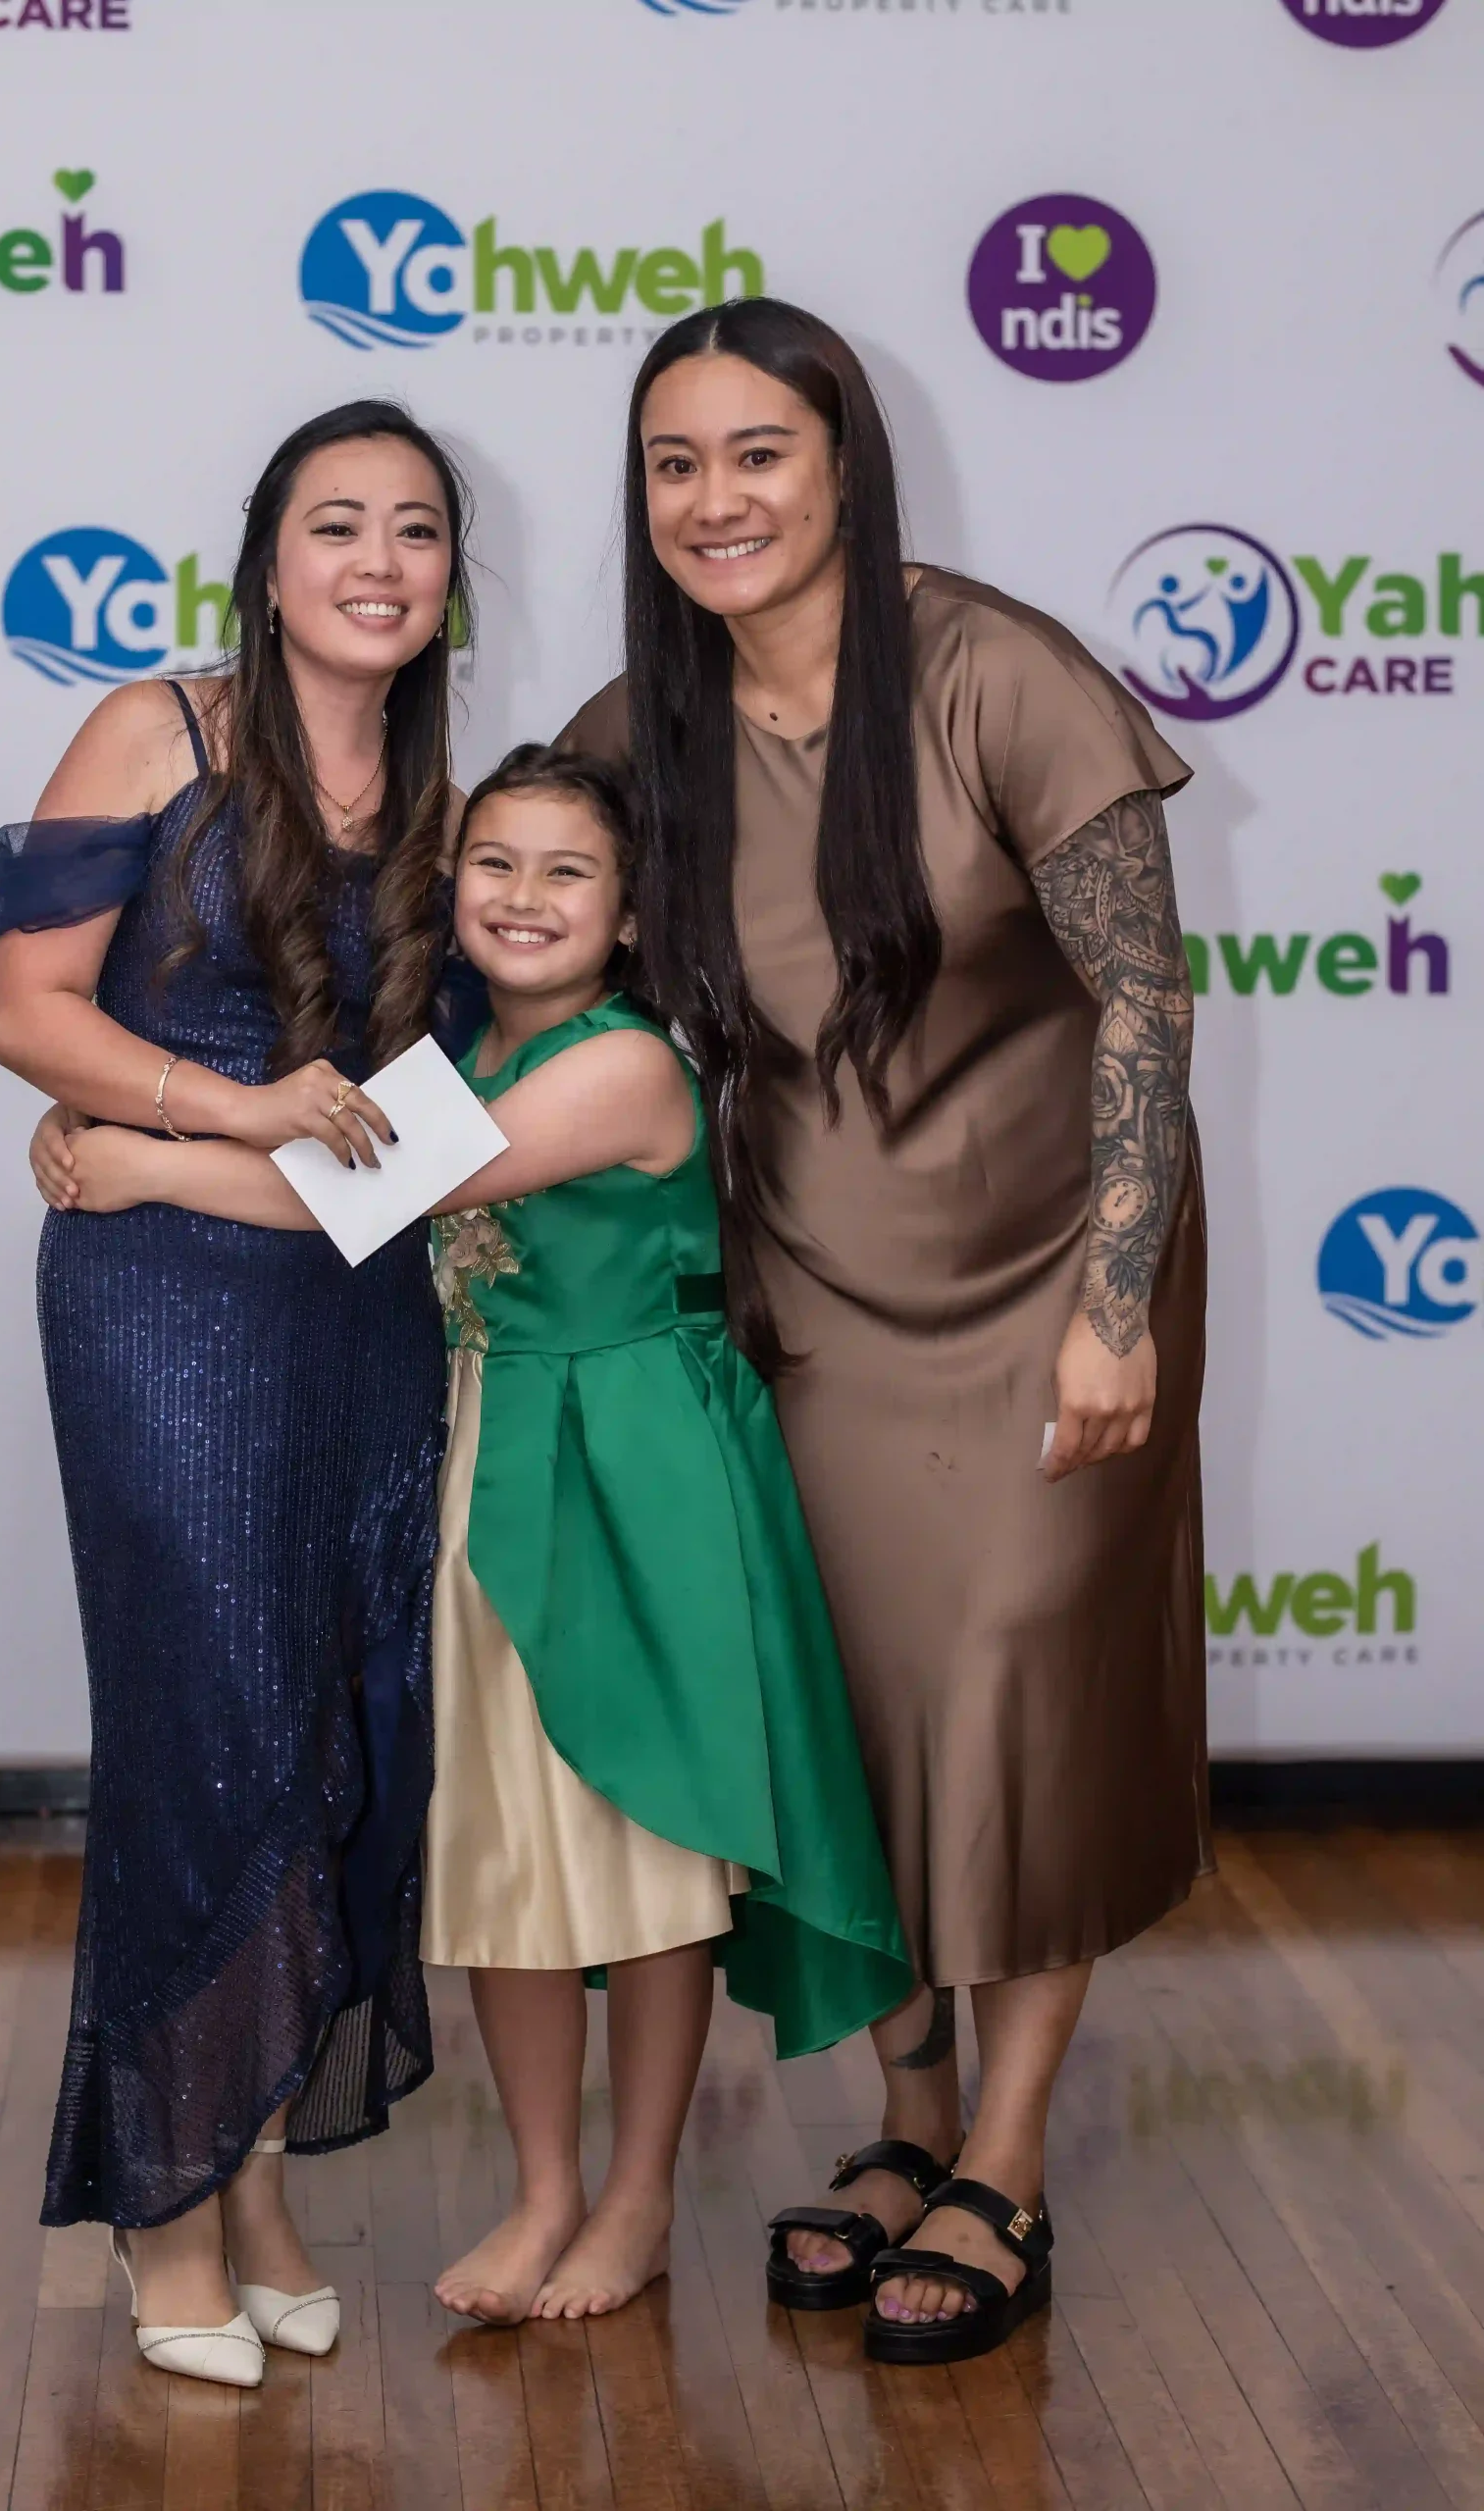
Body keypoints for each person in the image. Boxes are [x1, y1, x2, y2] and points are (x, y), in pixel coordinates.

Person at [41, 741, 914, 2331]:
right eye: (493, 863)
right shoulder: (447, 1048)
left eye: (569, 872)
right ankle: (543, 2191)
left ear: (631, 913)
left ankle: (636, 2198)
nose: (522, 896)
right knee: (511, 1846)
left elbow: (354, 1197)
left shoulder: (618, 1065)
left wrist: (135, 1160)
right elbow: (327, 1143)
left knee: (647, 1842)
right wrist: (104, 1116)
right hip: (489, 1455)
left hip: (629, 1474)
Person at [561, 298, 1207, 2366]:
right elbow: (516, 981)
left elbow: (1145, 998)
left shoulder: (998, 672)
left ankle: (1006, 2154)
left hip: (1052, 1278)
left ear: (842, 463)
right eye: (674, 462)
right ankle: (907, 2119)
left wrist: (1116, 1303)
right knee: (851, 1717)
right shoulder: (635, 725)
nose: (715, 499)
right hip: (806, 1294)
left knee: (1016, 1699)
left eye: (758, 452)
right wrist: (191, 1123)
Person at [0, 399, 476, 2388]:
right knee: (203, 1726)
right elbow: (26, 1009)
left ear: (451, 577)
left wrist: (166, 1151)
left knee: (332, 1730)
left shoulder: (450, 804)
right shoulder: (154, 733)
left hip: (360, 1308)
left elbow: (426, 1143)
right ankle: (164, 2201)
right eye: (336, 523)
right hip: (163, 1313)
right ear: (267, 563)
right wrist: (213, 1109)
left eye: (416, 529)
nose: (377, 561)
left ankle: (257, 2170)